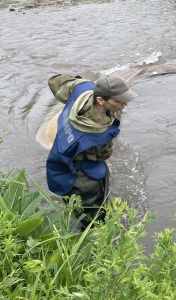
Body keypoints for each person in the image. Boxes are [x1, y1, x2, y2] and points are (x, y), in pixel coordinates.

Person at [46, 74, 137, 226]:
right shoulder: (89, 134)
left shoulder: (85, 89)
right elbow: (59, 160)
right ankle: (95, 240)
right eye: (119, 100)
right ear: (100, 100)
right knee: (93, 218)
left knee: (102, 193)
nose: (125, 104)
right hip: (79, 169)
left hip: (80, 153)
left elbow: (56, 81)